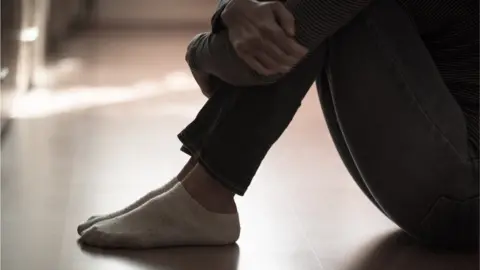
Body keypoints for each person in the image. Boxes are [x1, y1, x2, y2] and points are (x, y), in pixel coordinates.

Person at [77, 0, 479, 250]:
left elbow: (266, 51)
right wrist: (233, 7)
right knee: (308, 15)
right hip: (447, 189)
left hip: (465, 200)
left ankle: (204, 195)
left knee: (332, 15)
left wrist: (200, 51)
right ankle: (194, 188)